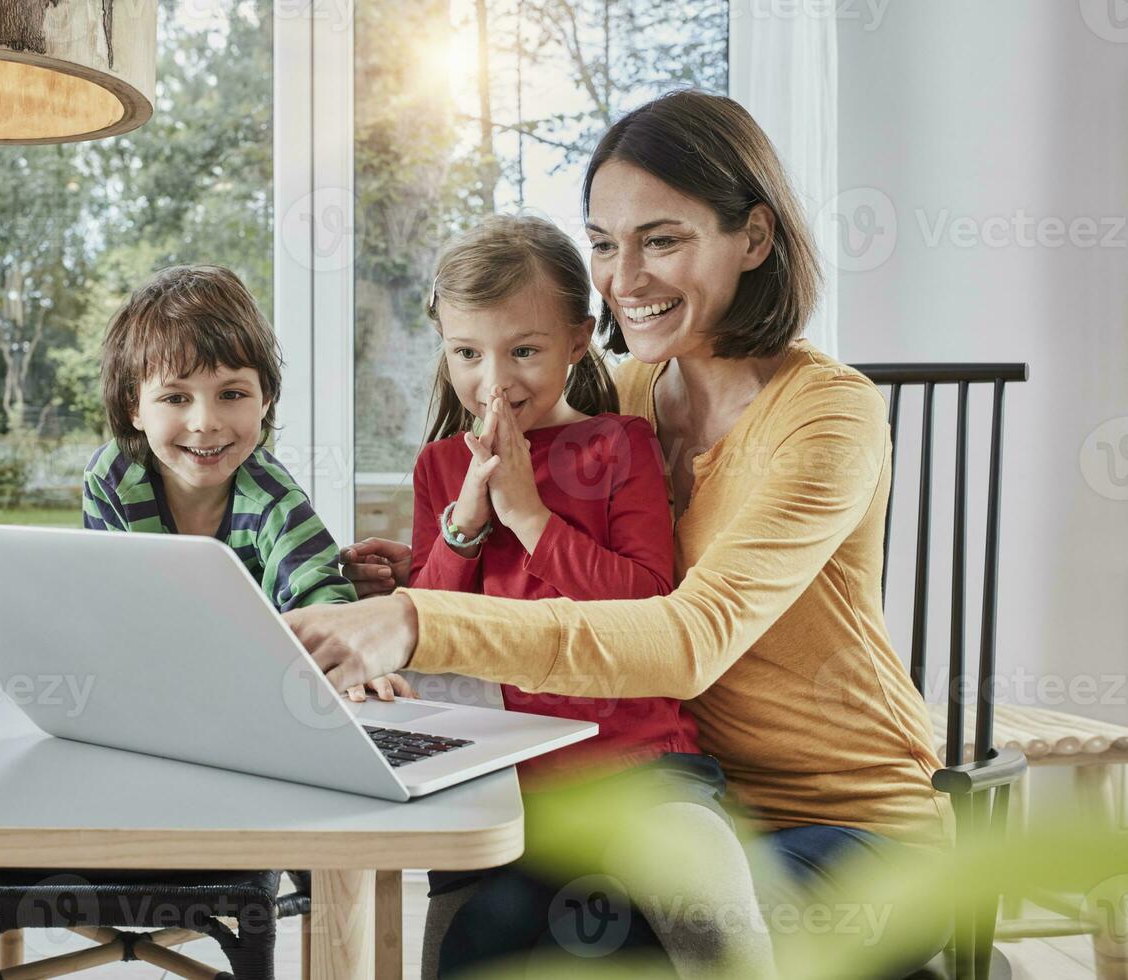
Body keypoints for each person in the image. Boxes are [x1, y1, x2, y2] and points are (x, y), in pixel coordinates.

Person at [285, 90, 949, 975]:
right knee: (492, 934)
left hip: (846, 822)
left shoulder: (826, 417)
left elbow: (683, 636)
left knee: (612, 946)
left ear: (753, 237)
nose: (624, 278)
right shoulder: (631, 395)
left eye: (662, 239)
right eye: (603, 243)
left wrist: (416, 621)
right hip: (667, 798)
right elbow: (557, 555)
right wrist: (429, 566)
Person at [408, 213, 776, 978]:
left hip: (643, 764)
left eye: (525, 351)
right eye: (467, 354)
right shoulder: (440, 470)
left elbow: (647, 601)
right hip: (510, 782)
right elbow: (427, 628)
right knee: (470, 940)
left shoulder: (619, 446)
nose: (494, 382)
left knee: (705, 899)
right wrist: (469, 523)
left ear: (578, 341)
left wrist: (530, 518)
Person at [83, 264, 411, 702]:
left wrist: (348, 655)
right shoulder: (113, 478)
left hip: (253, 689)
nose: (205, 423)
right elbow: (109, 602)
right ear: (134, 408)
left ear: (265, 400)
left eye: (232, 395)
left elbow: (317, 589)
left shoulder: (271, 497)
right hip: (154, 686)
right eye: (176, 398)